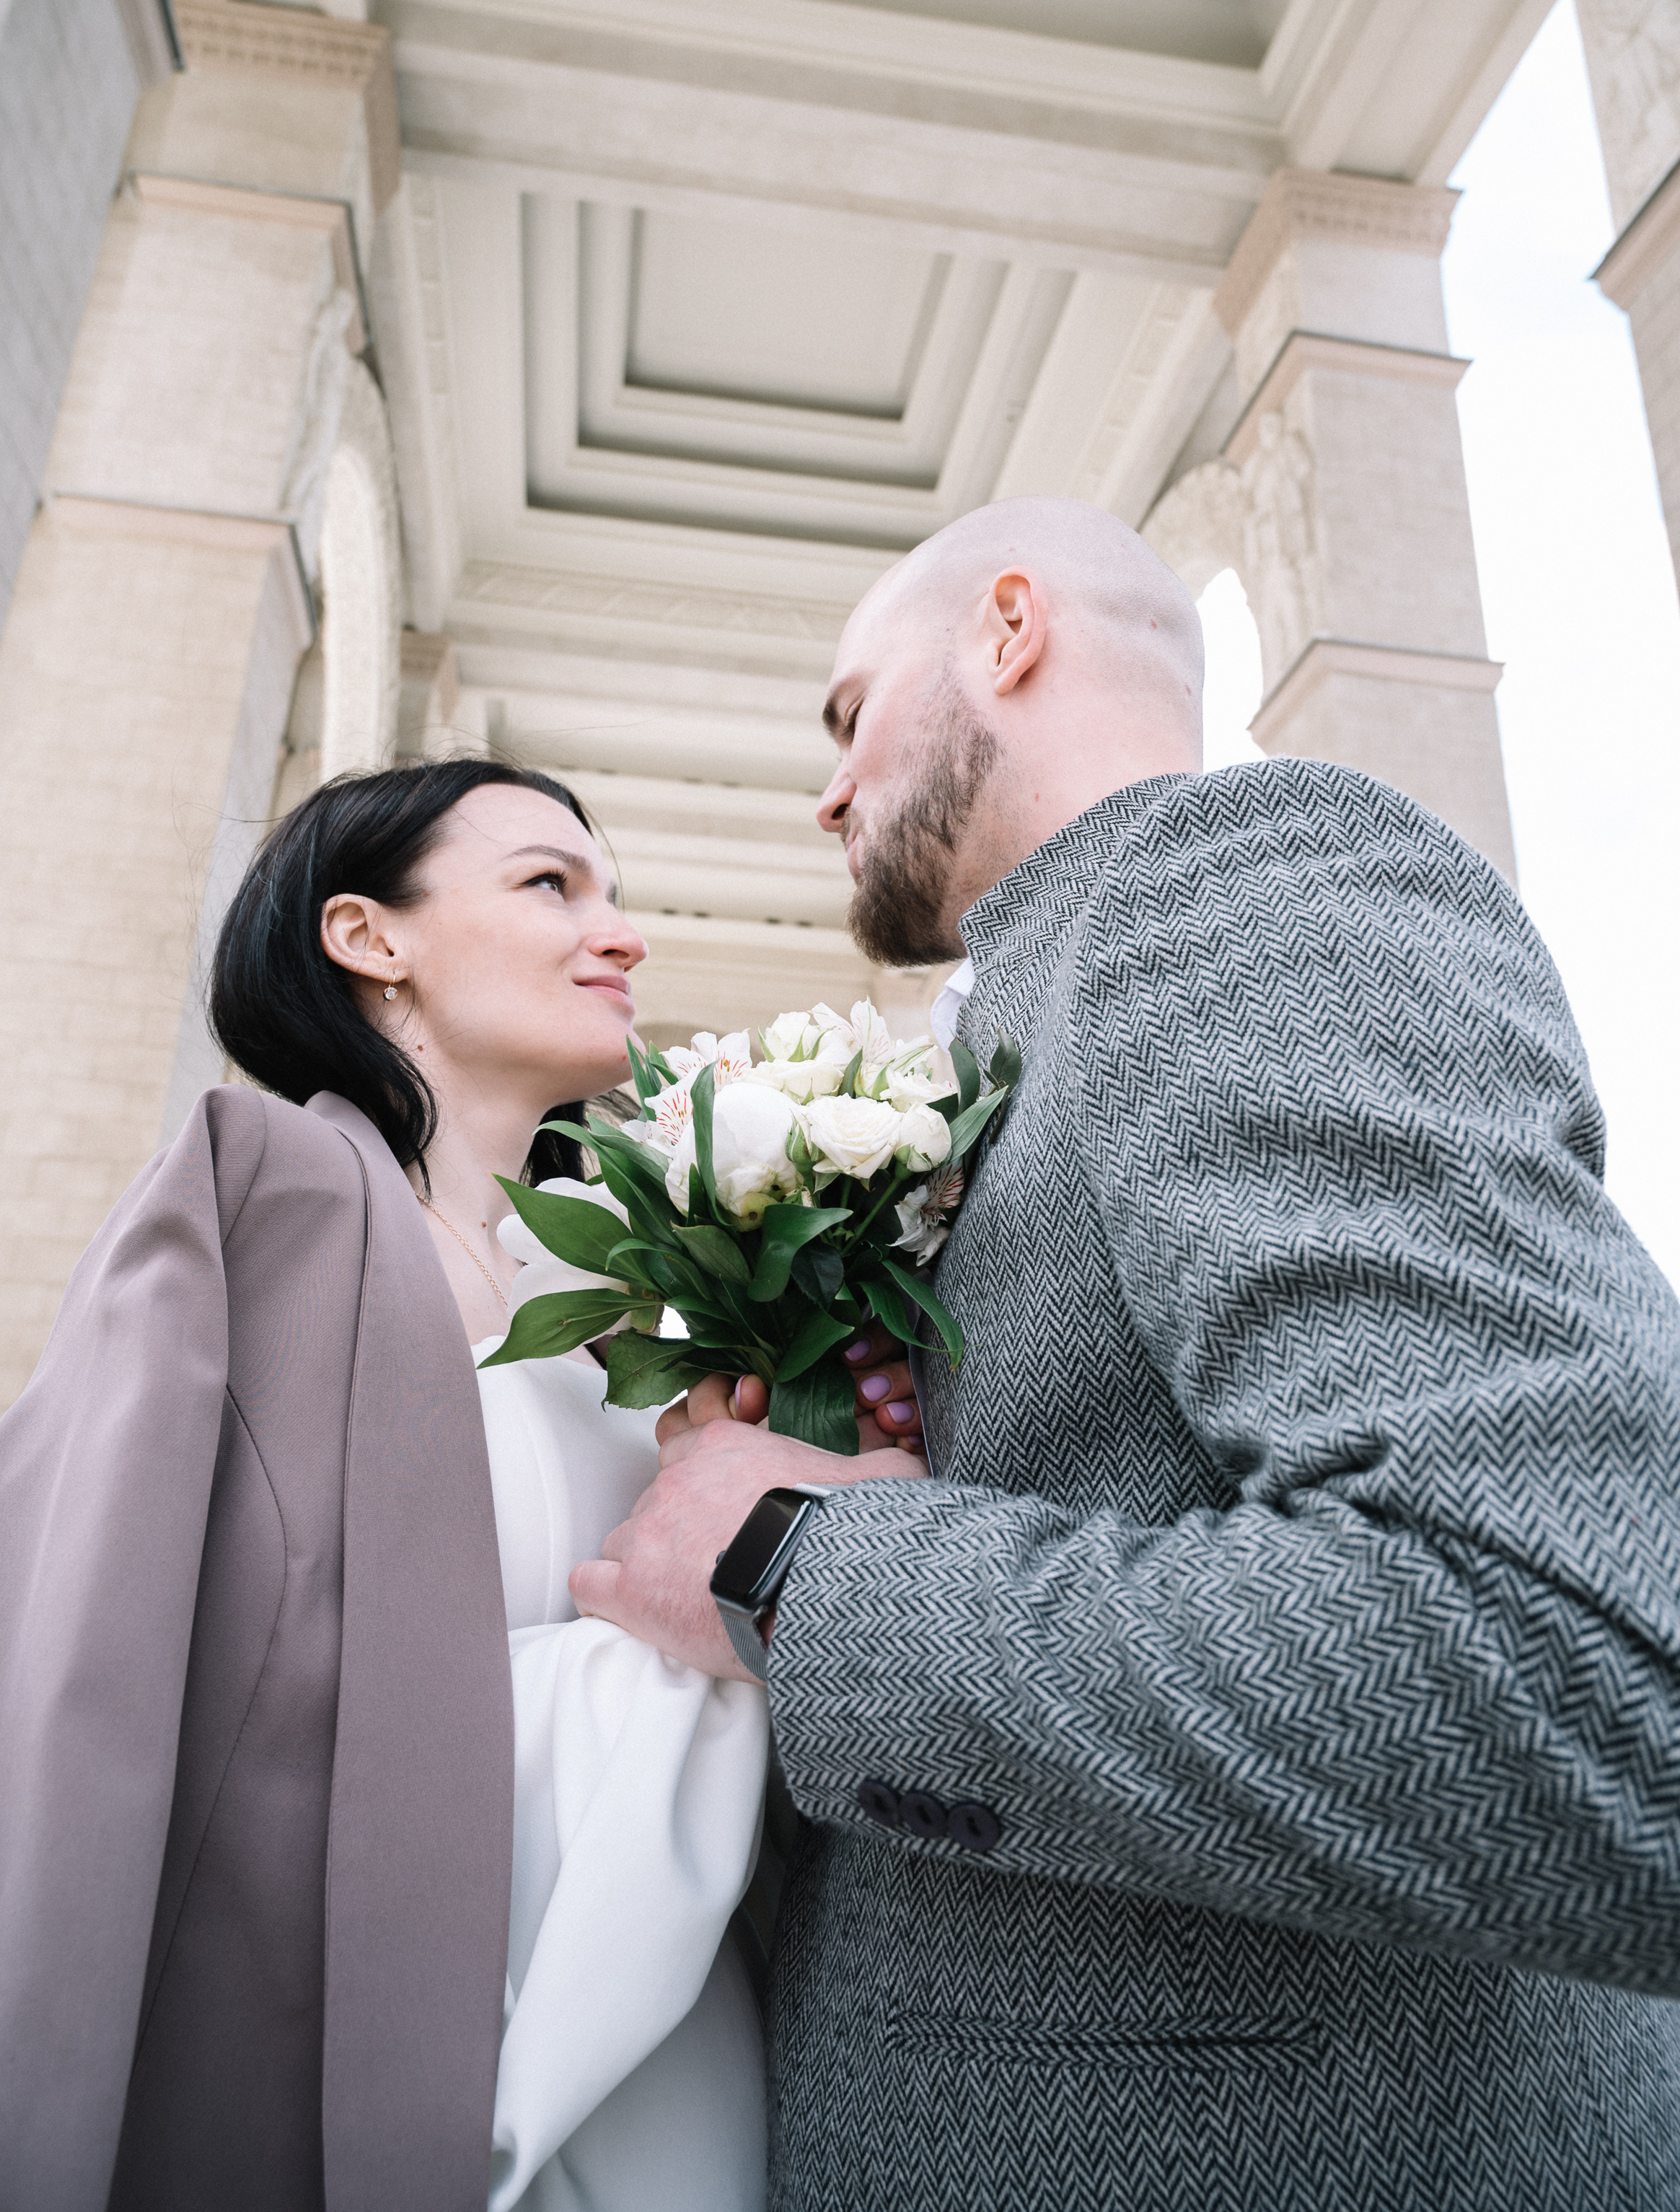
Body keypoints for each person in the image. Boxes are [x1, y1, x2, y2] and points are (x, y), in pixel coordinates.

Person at [576, 496, 1680, 2212]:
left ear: (1007, 629)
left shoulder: (1234, 889)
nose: (825, 787)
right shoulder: (1034, 1014)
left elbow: (1585, 1683)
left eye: (850, 709)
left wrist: (792, 1557)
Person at [0, 758, 920, 2212]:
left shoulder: (622, 1302)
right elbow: (84, 1655)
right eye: (550, 884)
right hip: (369, 2000)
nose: (619, 931)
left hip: (651, 1999)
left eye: (612, 893)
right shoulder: (259, 1195)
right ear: (372, 937)